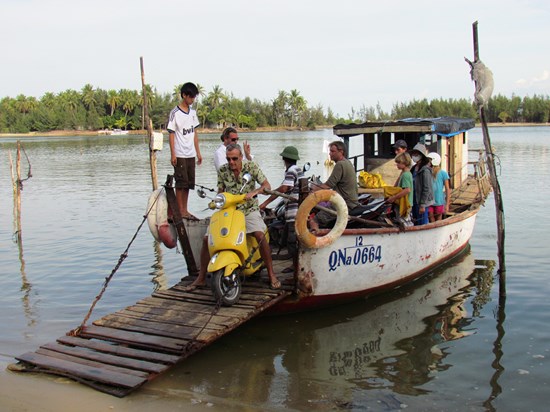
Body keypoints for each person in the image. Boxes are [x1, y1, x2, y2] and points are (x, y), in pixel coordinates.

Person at [185, 143, 280, 291]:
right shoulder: (223, 170)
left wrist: (255, 192)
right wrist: (216, 201)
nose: (231, 162)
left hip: (248, 209)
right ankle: (201, 277)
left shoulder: (251, 167)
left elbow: (266, 185)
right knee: (207, 239)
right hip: (228, 210)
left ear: (241, 157)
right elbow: (220, 191)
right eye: (228, 159)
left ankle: (271, 274)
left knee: (260, 235)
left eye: (234, 159)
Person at [260, 146, 303, 272]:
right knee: (292, 239)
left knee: (292, 241)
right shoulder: (298, 169)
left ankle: (295, 268)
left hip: (294, 212)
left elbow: (284, 189)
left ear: (284, 159)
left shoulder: (291, 171)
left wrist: (267, 200)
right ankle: (296, 266)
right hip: (299, 210)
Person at [167, 82, 202, 220]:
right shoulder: (175, 113)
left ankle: (185, 210)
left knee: (188, 184)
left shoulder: (193, 113)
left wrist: (198, 152)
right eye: (191, 97)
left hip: (190, 154)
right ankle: (179, 210)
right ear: (184, 95)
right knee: (180, 183)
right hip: (180, 153)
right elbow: (171, 134)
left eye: (194, 97)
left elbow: (195, 134)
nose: (192, 100)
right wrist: (173, 154)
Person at [310, 141, 358, 231]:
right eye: (330, 151)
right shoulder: (348, 163)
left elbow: (328, 185)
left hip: (344, 204)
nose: (330, 153)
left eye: (333, 151)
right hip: (352, 203)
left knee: (314, 220)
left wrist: (312, 190)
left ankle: (314, 243)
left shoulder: (340, 165)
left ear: (341, 152)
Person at [385, 152, 414, 226]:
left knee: (404, 222)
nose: (397, 165)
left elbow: (407, 190)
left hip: (405, 203)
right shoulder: (405, 173)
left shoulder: (406, 175)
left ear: (404, 163)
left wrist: (394, 198)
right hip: (404, 203)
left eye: (398, 163)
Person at [410, 143, 434, 225]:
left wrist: (423, 205)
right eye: (413, 154)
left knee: (422, 222)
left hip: (421, 201)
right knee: (415, 221)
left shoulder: (425, 170)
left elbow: (427, 188)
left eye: (416, 154)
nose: (414, 156)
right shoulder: (413, 168)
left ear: (421, 155)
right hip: (414, 200)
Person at [427, 152, 451, 221]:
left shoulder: (443, 173)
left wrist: (447, 204)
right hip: (429, 200)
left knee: (438, 218)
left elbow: (447, 188)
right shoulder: (427, 172)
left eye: (429, 160)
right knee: (430, 217)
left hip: (439, 200)